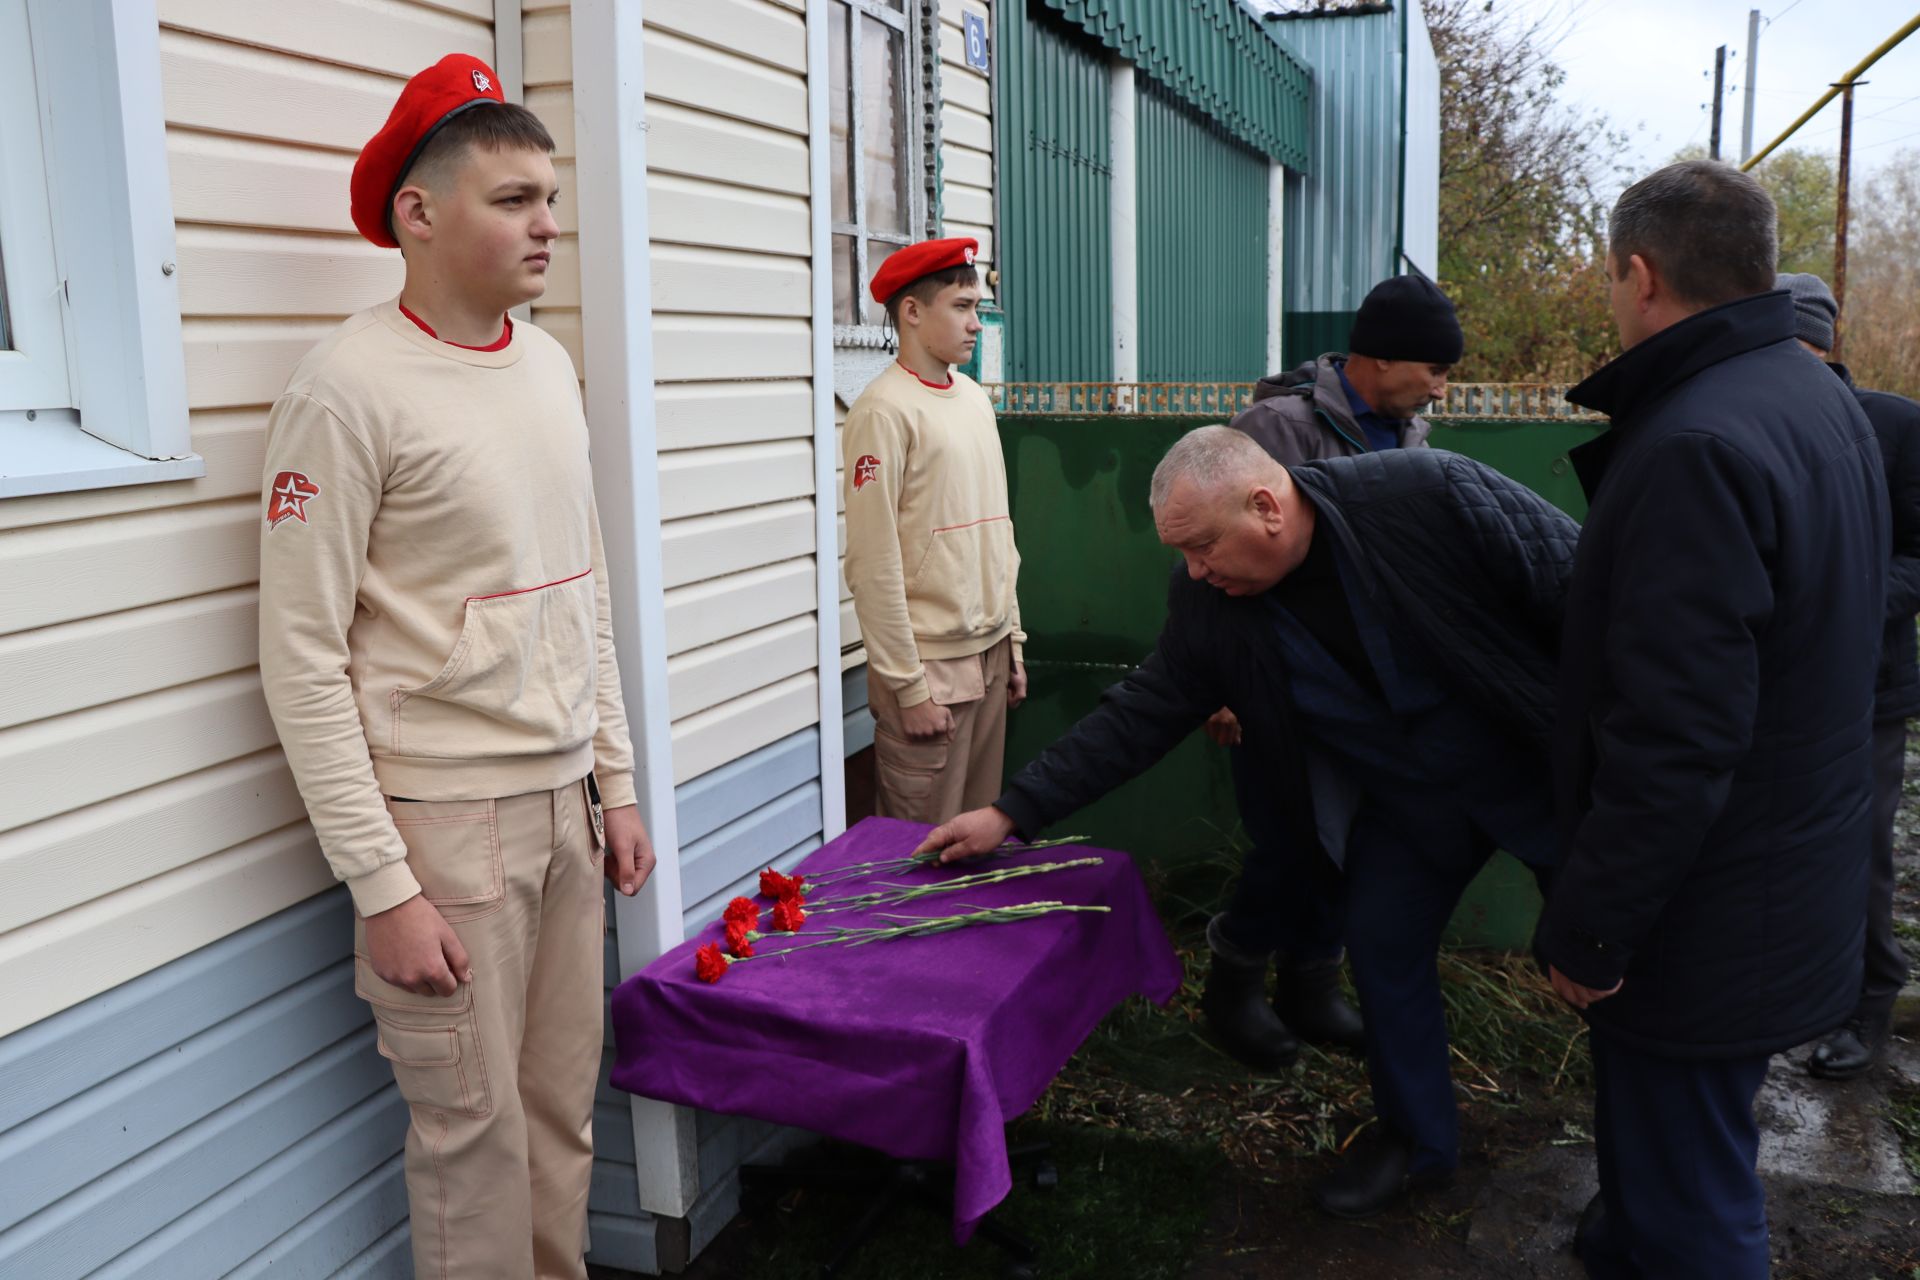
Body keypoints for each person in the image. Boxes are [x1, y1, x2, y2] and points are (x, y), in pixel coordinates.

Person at [919, 427, 1579, 1218]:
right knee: (1381, 944)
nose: (1195, 572)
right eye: (1184, 556)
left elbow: (1583, 588)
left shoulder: (1425, 494)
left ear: (1265, 506)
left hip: (1543, 772)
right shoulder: (1208, 602)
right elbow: (1145, 712)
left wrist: (1625, 755)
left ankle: (1642, 1173)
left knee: (1604, 962)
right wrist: (1011, 811)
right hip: (1414, 804)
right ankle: (1418, 1143)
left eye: (1202, 547)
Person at [257, 55, 654, 1279]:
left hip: (565, 813)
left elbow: (578, 580)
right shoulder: (348, 389)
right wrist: (385, 885)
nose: (547, 225)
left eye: (550, 198)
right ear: (418, 216)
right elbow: (303, 657)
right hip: (445, 826)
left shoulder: (542, 363)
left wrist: (615, 778)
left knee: (557, 1114)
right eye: (515, 199)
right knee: (471, 1137)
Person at [1539, 162, 1886, 1279]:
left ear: (1639, 274)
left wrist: (1594, 926)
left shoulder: (1693, 441)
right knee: (1683, 1154)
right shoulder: (1812, 393)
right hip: (1785, 875)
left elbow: (1676, 733)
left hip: (1708, 911)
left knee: (1698, 1198)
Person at [1198, 275, 1464, 1071]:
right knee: (1289, 844)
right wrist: (1223, 683)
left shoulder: (1410, 435)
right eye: (1436, 371)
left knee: (1349, 847)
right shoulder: (1277, 429)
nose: (1444, 388)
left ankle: (1310, 987)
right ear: (1379, 360)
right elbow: (1208, 559)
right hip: (1275, 684)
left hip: (1370, 691)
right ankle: (1232, 986)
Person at [1777, 271, 1920, 1080]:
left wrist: (1845, 601)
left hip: (1867, 688)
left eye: (1801, 346)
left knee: (1859, 852)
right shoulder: (1759, 422)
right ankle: (1790, 992)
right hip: (1773, 683)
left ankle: (1869, 1004)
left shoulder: (1896, 426)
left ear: (1826, 346)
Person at [842, 237, 1027, 822]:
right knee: (919, 851)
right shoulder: (883, 410)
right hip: (930, 669)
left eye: (978, 307)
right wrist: (909, 688)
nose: (977, 323)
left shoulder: (974, 399)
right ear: (913, 313)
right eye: (963, 306)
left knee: (976, 837)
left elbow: (999, 532)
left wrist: (1013, 642)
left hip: (990, 653)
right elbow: (872, 565)